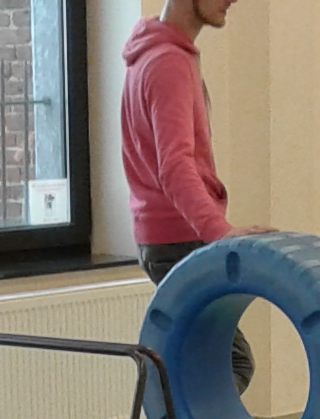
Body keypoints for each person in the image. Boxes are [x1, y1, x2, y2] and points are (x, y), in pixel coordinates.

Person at [123, 0, 265, 393]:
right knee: (233, 363)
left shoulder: (153, 53)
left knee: (197, 360)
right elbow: (174, 166)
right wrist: (219, 231)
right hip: (180, 238)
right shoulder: (167, 61)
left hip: (163, 236)